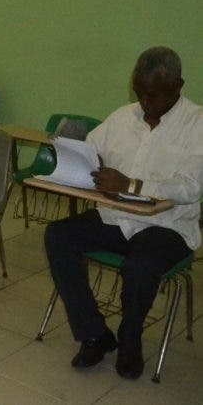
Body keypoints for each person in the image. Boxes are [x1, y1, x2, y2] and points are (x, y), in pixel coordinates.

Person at [44, 46, 201, 380]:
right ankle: (95, 334)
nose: (144, 102)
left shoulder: (197, 124)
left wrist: (131, 184)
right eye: (139, 92)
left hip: (167, 226)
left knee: (140, 265)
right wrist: (86, 162)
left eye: (152, 95)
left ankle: (131, 339)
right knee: (58, 235)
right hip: (116, 217)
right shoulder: (122, 117)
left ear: (178, 85)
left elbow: (191, 187)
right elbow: (91, 148)